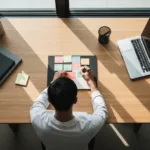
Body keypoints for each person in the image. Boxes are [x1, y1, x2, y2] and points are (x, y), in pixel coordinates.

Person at [30, 66, 108, 150]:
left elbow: (39, 102)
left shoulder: (37, 118)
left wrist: (54, 82)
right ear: (75, 100)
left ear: (49, 99)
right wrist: (91, 82)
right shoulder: (90, 125)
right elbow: (102, 111)